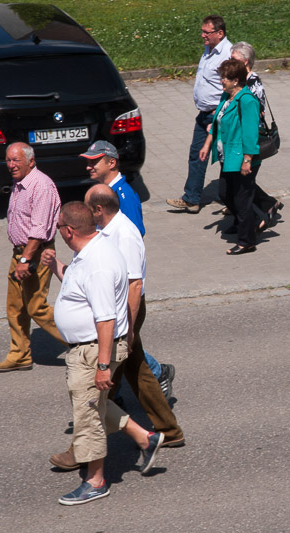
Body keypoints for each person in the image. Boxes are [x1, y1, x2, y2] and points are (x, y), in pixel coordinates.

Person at [47, 186, 186, 472]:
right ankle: (160, 433)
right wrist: (55, 265)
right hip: (112, 327)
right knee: (129, 377)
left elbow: (134, 286)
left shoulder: (122, 234)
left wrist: (128, 330)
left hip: (117, 323)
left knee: (95, 395)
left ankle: (92, 470)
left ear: (97, 210)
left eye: (89, 209)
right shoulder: (97, 239)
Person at [41, 202, 164, 505]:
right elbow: (78, 285)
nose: (57, 231)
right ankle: (145, 438)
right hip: (89, 349)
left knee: (87, 415)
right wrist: (55, 265)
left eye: (58, 227)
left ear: (69, 231)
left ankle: (95, 481)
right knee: (94, 404)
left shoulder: (97, 264)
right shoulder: (90, 251)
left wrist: (103, 366)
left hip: (94, 350)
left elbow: (105, 319)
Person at [79, 141, 175, 397]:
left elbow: (133, 238)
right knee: (121, 347)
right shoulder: (106, 192)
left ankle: (153, 376)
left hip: (123, 288)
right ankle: (116, 396)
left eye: (94, 161)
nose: (88, 166)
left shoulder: (123, 196)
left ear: (112, 162)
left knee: (122, 346)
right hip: (111, 286)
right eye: (88, 161)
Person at [0, 142, 66, 373]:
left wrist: (25, 260)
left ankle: (84, 341)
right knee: (15, 306)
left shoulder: (41, 185)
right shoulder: (20, 182)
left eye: (16, 160)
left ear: (31, 161)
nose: (11, 165)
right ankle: (20, 355)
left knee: (36, 307)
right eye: (8, 160)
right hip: (20, 253)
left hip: (36, 253)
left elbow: (39, 229)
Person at [167, 14, 233, 213]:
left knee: (227, 159)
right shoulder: (208, 49)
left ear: (220, 33)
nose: (203, 35)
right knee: (197, 155)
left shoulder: (228, 54)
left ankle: (234, 201)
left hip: (219, 115)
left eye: (207, 32)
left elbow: (234, 87)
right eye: (202, 31)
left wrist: (221, 112)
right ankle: (192, 199)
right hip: (204, 115)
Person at [198, 58, 261, 255]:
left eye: (225, 78)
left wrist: (247, 160)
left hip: (241, 158)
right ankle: (249, 221)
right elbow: (217, 122)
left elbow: (250, 134)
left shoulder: (247, 101)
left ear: (236, 80)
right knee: (225, 193)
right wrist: (207, 145)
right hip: (227, 156)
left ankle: (246, 241)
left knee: (242, 199)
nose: (221, 81)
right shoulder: (227, 97)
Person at [231, 41, 284, 231]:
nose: (230, 61)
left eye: (234, 59)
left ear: (245, 62)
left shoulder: (252, 83)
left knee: (242, 183)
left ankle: (263, 210)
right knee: (239, 182)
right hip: (238, 139)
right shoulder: (239, 80)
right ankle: (246, 217)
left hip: (251, 140)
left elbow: (252, 113)